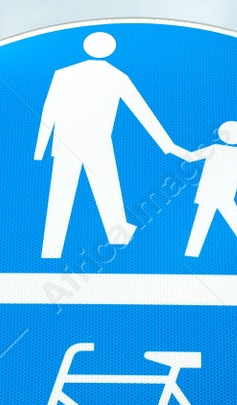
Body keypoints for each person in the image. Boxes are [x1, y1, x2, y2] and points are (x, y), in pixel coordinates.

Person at [35, 32, 190, 258]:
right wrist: (169, 146)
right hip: (97, 145)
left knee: (61, 199)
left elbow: (48, 113)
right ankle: (121, 253)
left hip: (67, 144)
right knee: (109, 199)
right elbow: (144, 114)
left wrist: (39, 150)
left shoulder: (64, 74)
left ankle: (50, 253)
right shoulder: (116, 75)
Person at [184, 121, 237, 257]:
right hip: (223, 194)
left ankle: (193, 251)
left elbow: (190, 157)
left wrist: (174, 149)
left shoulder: (215, 148)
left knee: (205, 220)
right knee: (226, 217)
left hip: (212, 193)